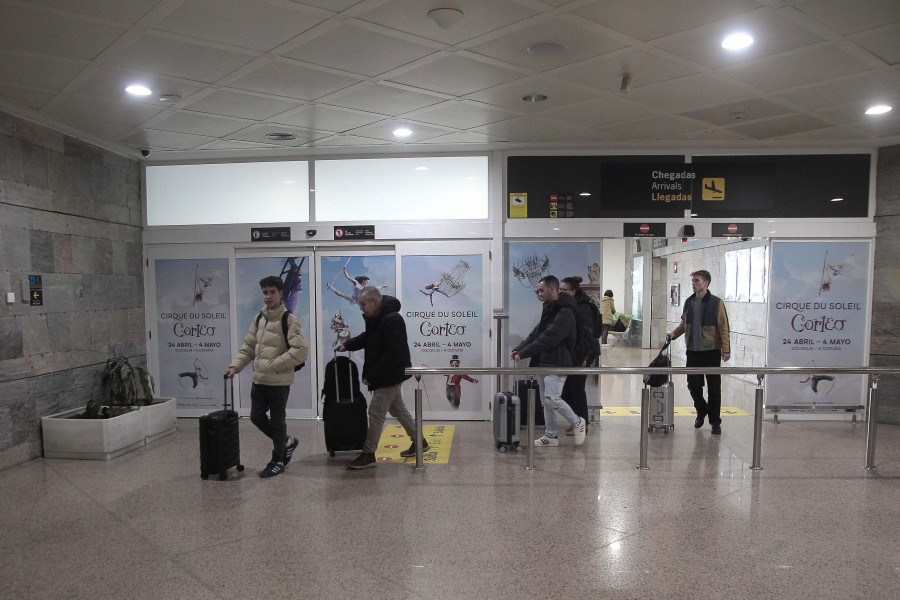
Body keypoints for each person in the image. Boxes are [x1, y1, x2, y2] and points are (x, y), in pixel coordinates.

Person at [225, 276, 309, 478]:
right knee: (256, 417)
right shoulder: (259, 319)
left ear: (281, 293)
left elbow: (300, 350)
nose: (268, 296)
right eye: (265, 292)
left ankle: (277, 459)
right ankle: (287, 442)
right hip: (260, 380)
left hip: (278, 382)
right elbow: (248, 348)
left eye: (272, 292)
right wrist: (234, 367)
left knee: (278, 422)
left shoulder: (288, 319)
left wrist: (275, 365)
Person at [337, 286, 427, 469]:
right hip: (388, 373)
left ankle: (368, 454)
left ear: (375, 302)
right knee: (397, 409)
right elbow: (369, 338)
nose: (360, 308)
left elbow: (393, 353)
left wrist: (373, 376)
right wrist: (349, 345)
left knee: (376, 412)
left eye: (363, 304)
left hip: (390, 374)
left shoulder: (392, 320)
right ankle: (420, 442)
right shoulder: (376, 318)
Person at [511, 275, 587, 447]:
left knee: (552, 398)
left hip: (558, 362)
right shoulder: (551, 308)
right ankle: (551, 435)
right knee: (546, 401)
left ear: (552, 289)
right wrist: (520, 348)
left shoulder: (565, 311)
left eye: (541, 290)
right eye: (537, 291)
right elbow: (536, 333)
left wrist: (524, 354)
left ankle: (577, 422)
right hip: (545, 361)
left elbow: (549, 337)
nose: (539, 294)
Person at [667, 270, 731, 435]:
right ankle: (702, 409)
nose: (693, 283)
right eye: (693, 281)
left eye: (697, 280)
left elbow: (723, 327)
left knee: (713, 387)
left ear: (706, 283)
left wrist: (726, 349)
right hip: (693, 351)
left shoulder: (716, 303)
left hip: (711, 351)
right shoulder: (689, 302)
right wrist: (674, 333)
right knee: (693, 385)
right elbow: (684, 324)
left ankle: (715, 422)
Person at [559, 276, 601, 433]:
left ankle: (582, 423)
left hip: (583, 353)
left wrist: (583, 357)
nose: (561, 292)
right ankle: (577, 421)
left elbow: (587, 334)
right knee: (568, 390)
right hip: (575, 353)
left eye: (564, 290)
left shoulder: (582, 308)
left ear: (573, 291)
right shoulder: (571, 305)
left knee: (576, 388)